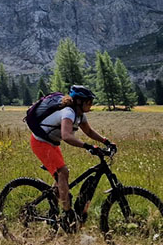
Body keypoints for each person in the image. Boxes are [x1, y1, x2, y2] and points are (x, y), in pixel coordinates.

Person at [29, 84, 114, 231]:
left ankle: (54, 211)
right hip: (40, 142)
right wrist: (88, 147)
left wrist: (106, 142)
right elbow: (66, 136)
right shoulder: (68, 112)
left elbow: (89, 131)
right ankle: (68, 214)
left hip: (52, 143)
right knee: (63, 172)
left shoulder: (80, 114)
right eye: (89, 101)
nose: (91, 104)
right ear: (79, 101)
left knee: (60, 178)